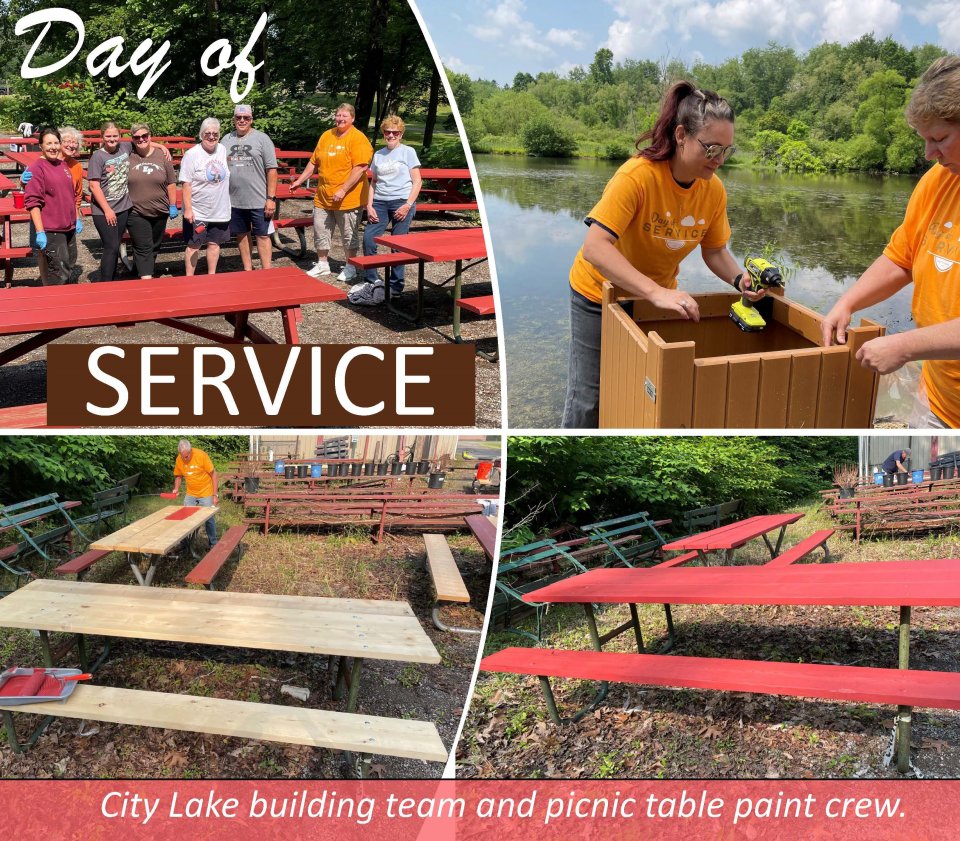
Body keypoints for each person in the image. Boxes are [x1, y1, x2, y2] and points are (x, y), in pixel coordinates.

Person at [561, 82, 763, 429]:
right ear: (682, 134)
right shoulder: (637, 177)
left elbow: (714, 251)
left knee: (643, 390)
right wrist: (656, 291)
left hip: (655, 302)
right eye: (712, 148)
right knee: (589, 397)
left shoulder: (712, 191)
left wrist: (739, 279)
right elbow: (595, 248)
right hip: (597, 296)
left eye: (727, 151)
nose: (719, 161)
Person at [822, 56, 960, 428]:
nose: (929, 154)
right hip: (938, 400)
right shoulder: (938, 181)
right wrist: (848, 301)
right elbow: (902, 258)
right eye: (925, 140)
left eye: (940, 139)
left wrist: (904, 346)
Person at [290, 102, 373, 280]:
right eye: (338, 115)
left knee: (348, 234)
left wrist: (343, 190)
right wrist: (300, 180)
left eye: (345, 116)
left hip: (348, 198)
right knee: (321, 230)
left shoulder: (358, 138)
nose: (340, 119)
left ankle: (351, 266)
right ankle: (322, 264)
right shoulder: (327, 135)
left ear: (352, 118)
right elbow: (314, 161)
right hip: (323, 196)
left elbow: (360, 168)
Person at [352, 114, 422, 304]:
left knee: (398, 244)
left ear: (401, 134)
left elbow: (417, 182)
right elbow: (373, 182)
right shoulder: (379, 154)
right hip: (380, 203)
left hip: (401, 201)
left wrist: (407, 205)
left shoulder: (408, 152)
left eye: (395, 132)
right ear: (383, 133)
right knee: (368, 238)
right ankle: (372, 279)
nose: (391, 135)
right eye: (387, 132)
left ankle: (396, 285)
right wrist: (369, 205)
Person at [21, 125, 83, 282]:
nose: (53, 147)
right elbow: (33, 202)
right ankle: (54, 301)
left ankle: (63, 300)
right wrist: (40, 232)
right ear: (41, 145)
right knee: (58, 271)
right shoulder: (37, 168)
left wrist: (76, 218)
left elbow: (71, 196)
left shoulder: (62, 165)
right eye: (49, 143)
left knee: (68, 266)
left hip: (68, 227)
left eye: (56, 143)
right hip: (52, 229)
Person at [222, 103, 278, 271]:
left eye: (246, 118)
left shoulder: (262, 138)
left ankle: (266, 271)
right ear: (233, 120)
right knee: (241, 235)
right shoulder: (226, 139)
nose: (242, 120)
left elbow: (272, 170)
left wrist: (270, 198)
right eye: (238, 118)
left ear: (251, 120)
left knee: (262, 235)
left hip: (259, 199)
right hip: (235, 200)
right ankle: (248, 269)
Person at [179, 117, 231, 276]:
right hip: (198, 211)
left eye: (215, 133)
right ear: (201, 135)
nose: (211, 136)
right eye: (207, 133)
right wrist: (188, 209)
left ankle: (211, 276)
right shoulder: (192, 154)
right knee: (194, 246)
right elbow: (186, 183)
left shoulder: (222, 149)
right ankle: (189, 278)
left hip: (220, 210)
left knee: (214, 244)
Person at [125, 121, 177, 278]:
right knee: (144, 246)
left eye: (145, 136)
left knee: (153, 246)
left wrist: (172, 204)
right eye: (137, 137)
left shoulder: (162, 156)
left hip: (160, 210)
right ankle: (147, 282)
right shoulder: (128, 153)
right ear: (132, 139)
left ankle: (137, 273)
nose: (141, 139)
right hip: (136, 211)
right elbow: (110, 143)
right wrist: (161, 144)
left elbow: (171, 182)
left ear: (150, 136)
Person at [87, 122, 134, 282]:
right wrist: (107, 210)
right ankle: (106, 283)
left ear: (120, 136)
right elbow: (93, 185)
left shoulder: (124, 147)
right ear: (102, 137)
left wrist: (162, 147)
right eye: (108, 136)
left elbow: (142, 142)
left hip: (123, 207)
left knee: (116, 244)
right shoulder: (98, 157)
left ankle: (113, 278)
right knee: (111, 246)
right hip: (104, 210)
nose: (112, 139)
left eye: (115, 135)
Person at [171, 439, 218, 547]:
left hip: (206, 492)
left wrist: (215, 495)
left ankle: (213, 544)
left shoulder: (201, 455)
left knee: (209, 518)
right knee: (184, 517)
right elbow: (178, 475)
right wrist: (176, 488)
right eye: (183, 456)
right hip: (191, 493)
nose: (184, 459)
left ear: (191, 451)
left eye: (186, 456)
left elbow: (214, 474)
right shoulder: (179, 459)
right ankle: (185, 544)